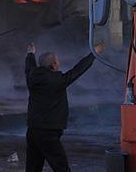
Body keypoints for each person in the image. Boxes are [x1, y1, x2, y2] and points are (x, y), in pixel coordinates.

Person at [25, 41, 105, 172]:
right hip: (48, 133)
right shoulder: (57, 81)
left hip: (33, 130)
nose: (59, 63)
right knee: (61, 168)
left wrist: (30, 54)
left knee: (33, 168)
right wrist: (93, 54)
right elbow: (78, 70)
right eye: (57, 61)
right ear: (53, 65)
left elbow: (29, 67)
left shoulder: (31, 77)